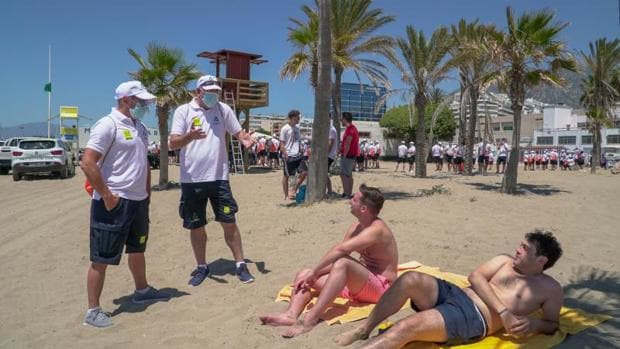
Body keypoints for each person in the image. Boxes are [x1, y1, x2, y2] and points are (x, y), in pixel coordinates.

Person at [334, 230, 564, 348]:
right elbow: (475, 277)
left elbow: (553, 325)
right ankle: (364, 329)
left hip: (472, 318)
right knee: (410, 278)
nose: (518, 249)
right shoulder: (505, 261)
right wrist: (504, 313)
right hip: (456, 294)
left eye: (525, 248)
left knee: (407, 327)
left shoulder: (550, 289)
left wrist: (535, 324)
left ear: (541, 260)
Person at [81, 81, 171, 328]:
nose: (144, 105)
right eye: (139, 101)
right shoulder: (108, 124)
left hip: (138, 201)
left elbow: (143, 163)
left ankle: (141, 291)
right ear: (125, 99)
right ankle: (93, 310)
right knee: (102, 256)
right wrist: (108, 196)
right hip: (114, 202)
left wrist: (147, 195)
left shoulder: (139, 126)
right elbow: (87, 163)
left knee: (137, 249)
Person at [260, 184, 399, 338]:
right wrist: (312, 274)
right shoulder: (356, 227)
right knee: (304, 274)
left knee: (342, 263)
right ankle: (290, 315)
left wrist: (316, 271)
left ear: (364, 208)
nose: (349, 201)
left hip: (382, 289)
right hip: (359, 285)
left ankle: (310, 320)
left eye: (354, 199)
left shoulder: (376, 230)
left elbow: (340, 251)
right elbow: (338, 255)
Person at [169, 75, 256, 286]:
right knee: (196, 225)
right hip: (192, 180)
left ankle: (240, 264)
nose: (213, 96)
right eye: (209, 92)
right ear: (198, 91)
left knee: (229, 222)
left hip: (219, 178)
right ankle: (202, 266)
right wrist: (189, 136)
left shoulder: (223, 109)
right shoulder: (184, 111)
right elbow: (173, 143)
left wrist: (246, 140)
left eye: (216, 92)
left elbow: (239, 132)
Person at [280, 109, 308, 200]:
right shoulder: (285, 128)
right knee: (286, 176)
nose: (299, 119)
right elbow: (282, 143)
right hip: (288, 155)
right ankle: (286, 195)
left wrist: (301, 150)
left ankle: (294, 190)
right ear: (292, 118)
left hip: (298, 155)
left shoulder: (297, 128)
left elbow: (298, 141)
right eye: (297, 117)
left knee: (304, 172)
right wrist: (285, 153)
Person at [339, 112, 360, 198]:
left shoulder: (350, 129)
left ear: (344, 119)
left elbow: (348, 143)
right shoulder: (353, 128)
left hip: (348, 155)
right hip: (351, 154)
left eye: (342, 119)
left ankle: (346, 193)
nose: (341, 120)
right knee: (348, 174)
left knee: (344, 174)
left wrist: (344, 154)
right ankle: (348, 193)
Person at [327, 120, 338, 195]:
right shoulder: (329, 128)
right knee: (324, 173)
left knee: (324, 173)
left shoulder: (331, 129)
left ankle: (330, 191)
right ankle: (329, 190)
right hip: (328, 154)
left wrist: (325, 153)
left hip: (329, 155)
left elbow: (331, 142)